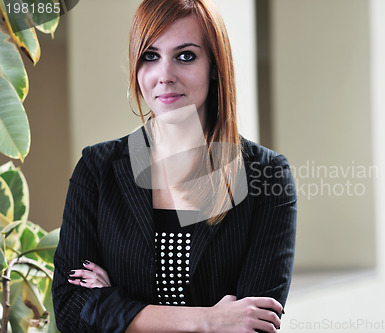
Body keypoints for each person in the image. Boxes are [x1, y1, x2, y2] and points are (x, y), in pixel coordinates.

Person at [51, 0, 297, 332]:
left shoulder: (266, 176)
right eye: (150, 56)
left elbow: (253, 324)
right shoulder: (97, 169)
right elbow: (70, 311)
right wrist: (209, 320)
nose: (164, 76)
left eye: (185, 56)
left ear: (214, 65)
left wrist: (113, 306)